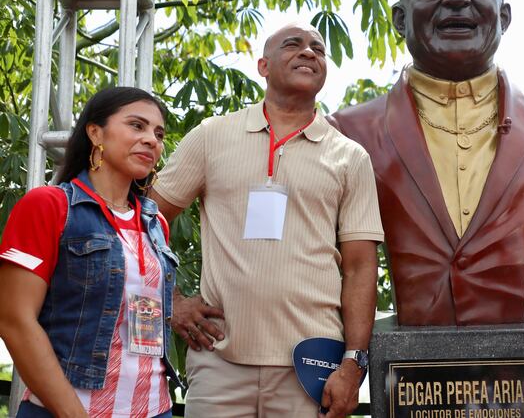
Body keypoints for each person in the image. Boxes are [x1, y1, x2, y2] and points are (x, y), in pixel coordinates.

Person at [330, 0, 524, 326]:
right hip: (410, 358)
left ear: (504, 17)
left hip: (513, 363)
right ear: (400, 19)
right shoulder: (346, 135)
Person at [150, 23, 383, 417]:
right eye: (293, 45)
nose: (309, 52)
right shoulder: (211, 136)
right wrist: (170, 303)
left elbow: (361, 268)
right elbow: (143, 224)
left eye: (318, 49)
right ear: (263, 65)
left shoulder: (350, 157)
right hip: (218, 362)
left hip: (311, 368)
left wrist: (353, 364)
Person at [0, 87, 178, 418]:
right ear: (95, 132)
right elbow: (14, 320)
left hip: (156, 409)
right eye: (137, 126)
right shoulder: (49, 205)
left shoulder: (156, 223)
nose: (152, 140)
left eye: (158, 133)